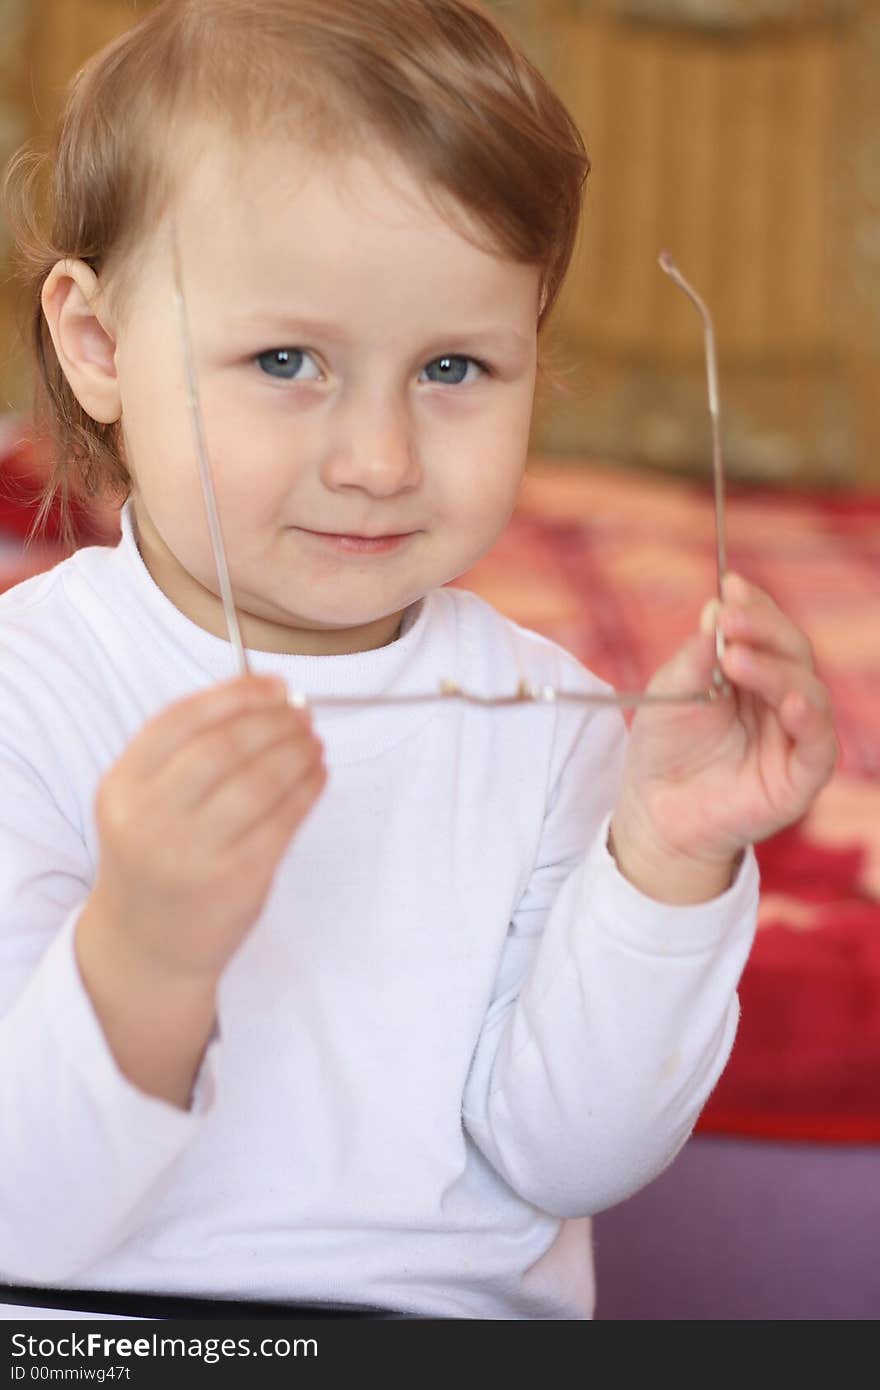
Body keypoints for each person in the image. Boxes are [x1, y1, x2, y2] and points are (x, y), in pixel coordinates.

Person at [0, 0, 837, 1320]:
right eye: (287, 359)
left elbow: (572, 1152)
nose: (381, 458)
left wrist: (669, 858)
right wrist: (141, 948)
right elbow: (24, 1211)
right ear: (98, 346)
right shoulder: (31, 697)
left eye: (455, 364)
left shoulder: (558, 717)